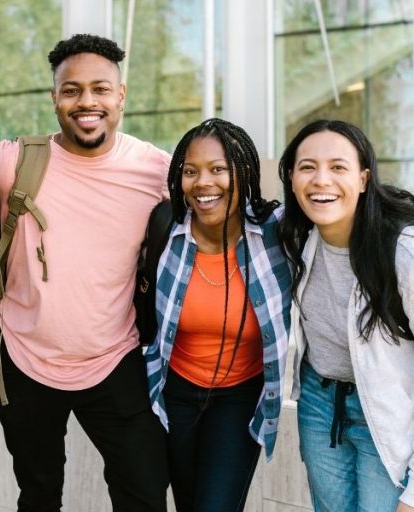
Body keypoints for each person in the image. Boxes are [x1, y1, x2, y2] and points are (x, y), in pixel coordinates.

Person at [0, 34, 170, 511]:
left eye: (100, 89)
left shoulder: (156, 171)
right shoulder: (13, 162)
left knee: (144, 493)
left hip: (115, 358)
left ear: (121, 95)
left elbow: (224, 210)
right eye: (71, 90)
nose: (87, 102)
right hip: (25, 361)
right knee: (39, 494)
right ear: (54, 99)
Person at [277, 119, 414, 512]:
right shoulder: (298, 236)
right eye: (308, 167)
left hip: (388, 413)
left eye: (338, 167)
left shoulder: (408, 254)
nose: (321, 180)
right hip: (318, 404)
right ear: (292, 178)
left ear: (364, 179)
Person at [141, 118, 292, 512]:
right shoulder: (165, 229)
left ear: (242, 173)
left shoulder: (277, 232)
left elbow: (342, 222)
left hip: (239, 398)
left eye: (218, 169)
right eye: (190, 171)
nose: (202, 182)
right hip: (173, 392)